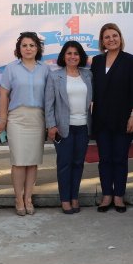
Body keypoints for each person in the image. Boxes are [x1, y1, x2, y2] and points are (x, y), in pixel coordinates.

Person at [0, 32, 50, 216]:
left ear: (38, 48)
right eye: (24, 45)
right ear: (19, 49)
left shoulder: (45, 69)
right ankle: (18, 199)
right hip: (17, 118)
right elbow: (3, 95)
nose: (28, 49)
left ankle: (29, 198)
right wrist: (3, 119)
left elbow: (50, 97)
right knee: (19, 161)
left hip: (37, 118)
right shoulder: (11, 69)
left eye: (32, 45)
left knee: (32, 162)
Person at [91, 23, 133, 213]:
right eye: (107, 37)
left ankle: (119, 196)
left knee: (120, 158)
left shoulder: (130, 61)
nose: (111, 39)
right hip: (101, 119)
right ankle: (106, 195)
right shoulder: (96, 61)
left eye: (115, 35)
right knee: (104, 159)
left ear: (120, 38)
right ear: (102, 41)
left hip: (124, 118)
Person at [45, 40, 92, 214]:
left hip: (83, 127)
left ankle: (74, 197)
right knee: (64, 164)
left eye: (76, 53)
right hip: (63, 128)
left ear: (81, 57)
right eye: (69, 53)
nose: (73, 57)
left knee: (78, 164)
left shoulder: (88, 75)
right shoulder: (55, 76)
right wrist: (51, 125)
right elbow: (49, 103)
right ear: (63, 56)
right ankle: (65, 199)